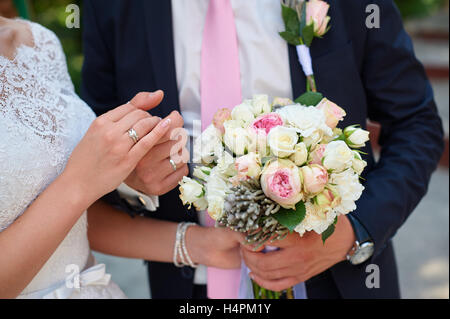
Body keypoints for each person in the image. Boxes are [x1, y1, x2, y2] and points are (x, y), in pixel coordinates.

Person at [82, 0, 444, 299]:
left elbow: (416, 124)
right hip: (187, 284)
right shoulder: (111, 7)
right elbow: (98, 140)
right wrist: (131, 178)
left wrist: (351, 233)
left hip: (337, 279)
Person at [0, 16, 243, 299]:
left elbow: (73, 220)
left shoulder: (38, 41)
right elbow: (76, 187)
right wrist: (82, 180)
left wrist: (202, 245)